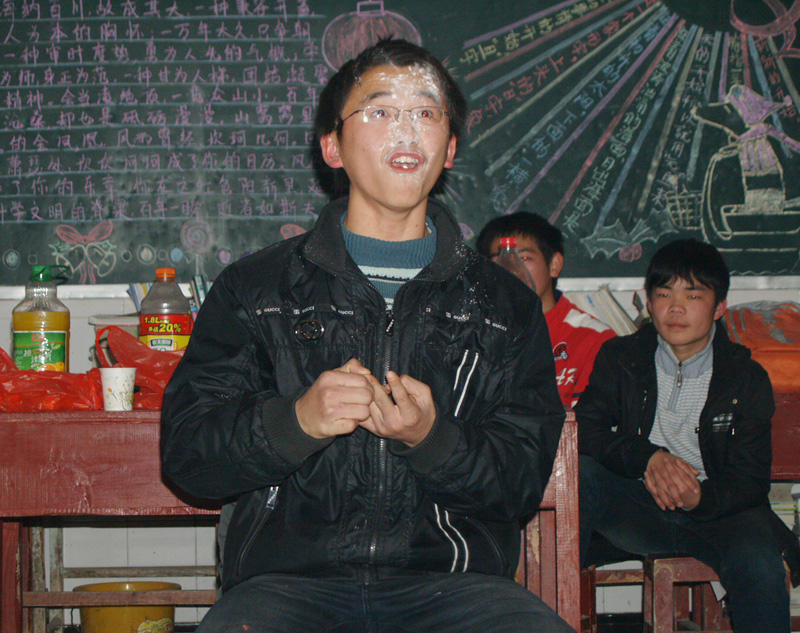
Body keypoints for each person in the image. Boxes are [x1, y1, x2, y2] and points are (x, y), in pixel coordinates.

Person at [161, 38, 573, 633]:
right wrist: (295, 422)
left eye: (425, 112)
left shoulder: (504, 305)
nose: (406, 131)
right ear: (332, 146)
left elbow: (520, 483)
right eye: (380, 111)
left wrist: (432, 439)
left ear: (450, 148)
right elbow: (190, 457)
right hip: (287, 587)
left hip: (456, 587)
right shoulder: (256, 288)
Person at [577, 238, 800, 633]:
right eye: (664, 294)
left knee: (759, 563)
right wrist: (647, 457)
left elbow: (750, 481)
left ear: (719, 307)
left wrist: (700, 497)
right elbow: (585, 431)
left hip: (719, 514)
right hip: (639, 509)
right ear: (649, 302)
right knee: (579, 474)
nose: (675, 308)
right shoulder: (621, 358)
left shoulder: (745, 378)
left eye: (693, 295)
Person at [476, 212, 615, 408]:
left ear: (554, 265)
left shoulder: (594, 340)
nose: (511, 269)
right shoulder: (475, 335)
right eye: (500, 260)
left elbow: (591, 421)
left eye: (524, 258)